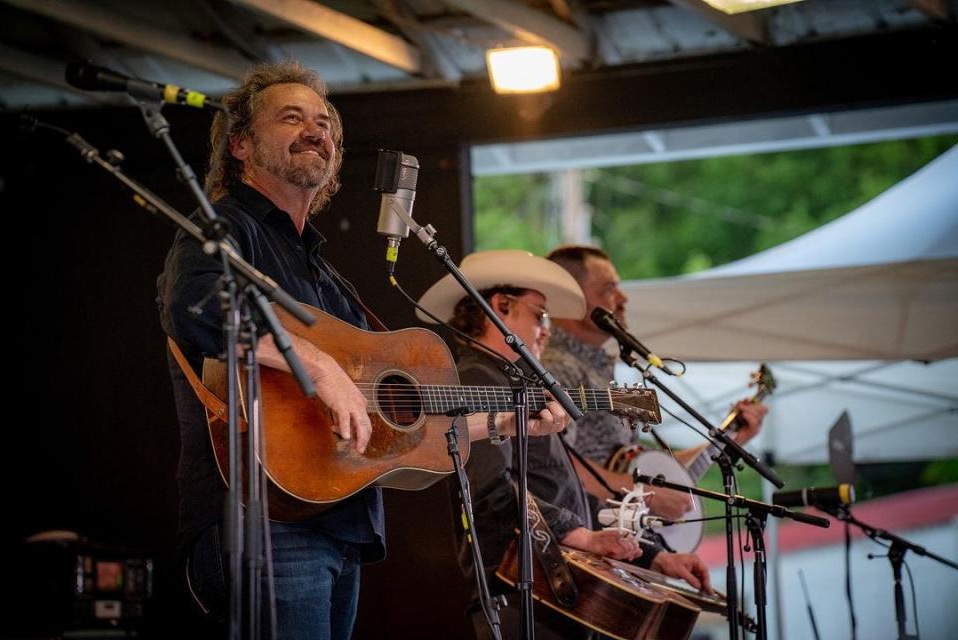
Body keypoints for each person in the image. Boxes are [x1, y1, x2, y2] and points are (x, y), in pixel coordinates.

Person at [156, 62, 569, 640]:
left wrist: (507, 420)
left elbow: (402, 430)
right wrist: (316, 365)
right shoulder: (224, 228)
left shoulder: (323, 276)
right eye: (292, 117)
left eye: (324, 122)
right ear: (242, 145)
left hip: (341, 522)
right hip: (265, 521)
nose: (316, 130)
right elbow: (196, 308)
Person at [417, 249, 713, 640]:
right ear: (501, 307)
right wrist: (584, 537)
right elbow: (492, 492)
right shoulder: (479, 380)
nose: (548, 328)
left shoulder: (517, 387)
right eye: (540, 315)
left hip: (550, 589)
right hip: (522, 593)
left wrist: (654, 556)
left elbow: (564, 492)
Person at [542, 246, 768, 516]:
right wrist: (644, 494)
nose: (623, 298)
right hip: (585, 542)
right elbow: (556, 466)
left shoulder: (593, 364)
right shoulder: (557, 365)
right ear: (569, 299)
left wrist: (731, 436)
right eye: (609, 289)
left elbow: (658, 476)